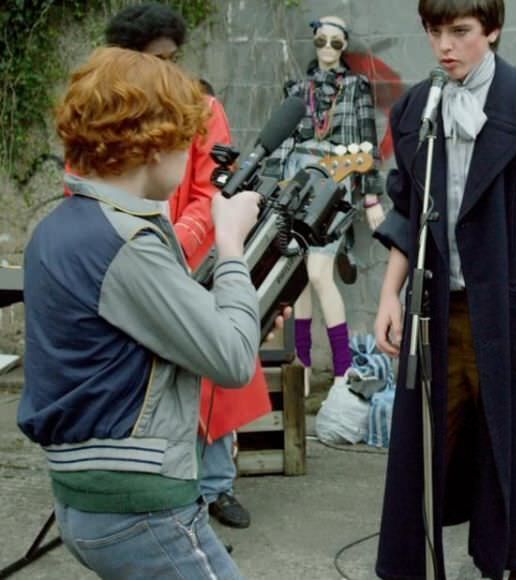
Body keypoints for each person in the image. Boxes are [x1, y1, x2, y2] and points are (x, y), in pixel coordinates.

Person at [370, 0, 516, 578]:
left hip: (514, 312)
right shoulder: (416, 109)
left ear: (492, 31)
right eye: (434, 32)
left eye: (461, 32)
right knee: (427, 450)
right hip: (436, 311)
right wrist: (388, 297)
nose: (445, 45)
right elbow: (407, 210)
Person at [18, 47, 264, 579]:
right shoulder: (125, 241)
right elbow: (233, 357)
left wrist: (232, 297)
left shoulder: (59, 230)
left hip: (83, 500)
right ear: (155, 145)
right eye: (187, 137)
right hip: (141, 510)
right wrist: (231, 244)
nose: (193, 152)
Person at [100, 1, 264, 530]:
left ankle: (216, 487)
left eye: (175, 57)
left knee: (211, 369)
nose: (172, 70)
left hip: (196, 258)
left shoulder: (202, 106)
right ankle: (161, 489)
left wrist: (179, 241)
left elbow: (213, 187)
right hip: (129, 264)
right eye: (158, 59)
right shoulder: (108, 108)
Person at [264, 15, 386, 393]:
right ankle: (301, 362)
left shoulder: (355, 87)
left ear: (345, 46)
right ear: (314, 42)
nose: (329, 49)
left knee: (318, 271)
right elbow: (282, 142)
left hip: (336, 180)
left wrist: (370, 196)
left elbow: (367, 144)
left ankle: (342, 368)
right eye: (322, 42)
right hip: (297, 179)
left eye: (336, 43)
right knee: (296, 273)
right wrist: (271, 189)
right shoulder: (297, 88)